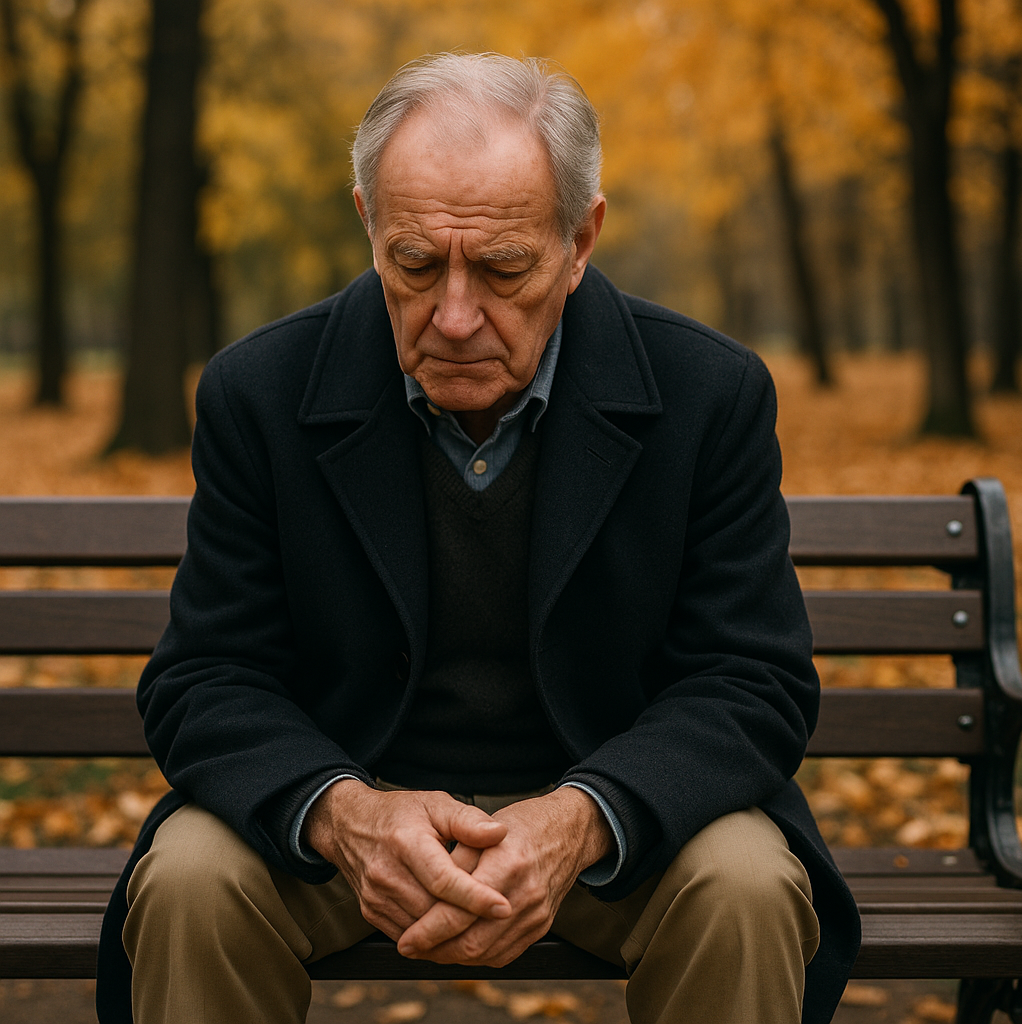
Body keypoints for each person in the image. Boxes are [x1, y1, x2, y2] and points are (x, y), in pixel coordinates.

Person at [96, 52, 860, 1024]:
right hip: (342, 825)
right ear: (370, 223)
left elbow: (751, 680)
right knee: (191, 878)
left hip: (619, 826)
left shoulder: (709, 395)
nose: (454, 317)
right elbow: (204, 678)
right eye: (415, 264)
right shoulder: (260, 393)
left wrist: (584, 816)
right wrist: (344, 810)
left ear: (581, 239)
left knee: (746, 884)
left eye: (503, 268)